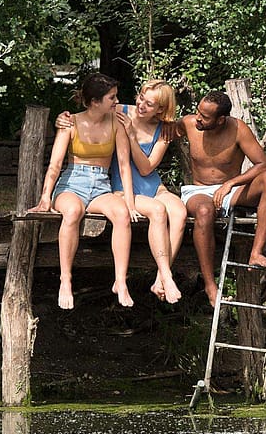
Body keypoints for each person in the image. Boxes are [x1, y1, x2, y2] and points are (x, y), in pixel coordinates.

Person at [57, 80, 187, 305]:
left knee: (180, 213)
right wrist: (62, 117)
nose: (141, 105)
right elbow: (91, 108)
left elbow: (146, 168)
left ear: (161, 109)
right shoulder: (120, 111)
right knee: (158, 211)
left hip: (151, 186)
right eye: (141, 98)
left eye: (150, 104)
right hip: (123, 189)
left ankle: (160, 278)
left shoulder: (164, 130)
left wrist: (134, 135)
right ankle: (166, 275)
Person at [30, 72, 139, 309]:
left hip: (101, 185)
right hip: (72, 182)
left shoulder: (117, 122)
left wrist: (129, 202)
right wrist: (45, 197)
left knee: (121, 215)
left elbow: (123, 165)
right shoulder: (71, 123)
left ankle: (120, 281)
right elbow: (56, 164)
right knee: (72, 212)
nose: (116, 102)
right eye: (112, 98)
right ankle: (65, 279)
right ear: (94, 102)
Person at [177, 90, 266, 306]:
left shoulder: (237, 129)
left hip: (231, 190)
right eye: (198, 112)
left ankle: (256, 252)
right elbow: (156, 129)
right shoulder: (187, 123)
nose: (198, 118)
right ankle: (210, 285)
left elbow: (264, 164)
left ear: (221, 119)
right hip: (198, 192)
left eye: (205, 117)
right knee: (205, 211)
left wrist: (230, 183)